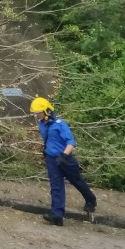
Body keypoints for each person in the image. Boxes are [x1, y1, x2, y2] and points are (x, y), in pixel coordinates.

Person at [31, 96, 97, 225]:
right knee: (56, 186)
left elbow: (71, 143)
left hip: (65, 159)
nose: (35, 116)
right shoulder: (41, 124)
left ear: (46, 112)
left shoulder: (60, 125)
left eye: (37, 113)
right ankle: (57, 215)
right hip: (51, 159)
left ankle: (91, 199)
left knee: (77, 181)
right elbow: (49, 139)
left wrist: (63, 156)